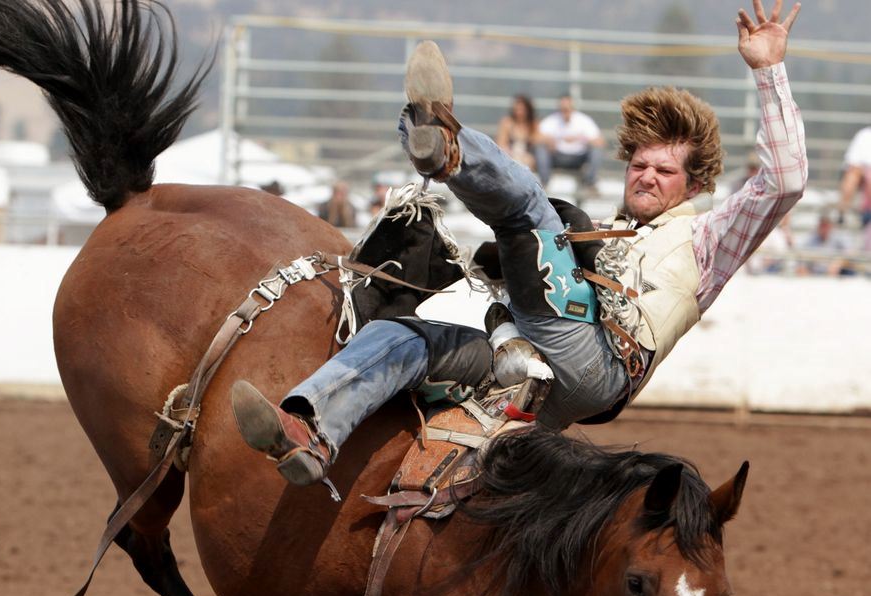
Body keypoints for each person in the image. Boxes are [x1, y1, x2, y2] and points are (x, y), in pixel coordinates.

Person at [230, 0, 805, 490]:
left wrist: (769, 71)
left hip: (599, 362)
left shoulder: (707, 237)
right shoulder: (605, 230)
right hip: (537, 374)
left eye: (664, 170)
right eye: (639, 164)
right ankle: (307, 433)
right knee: (404, 336)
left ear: (696, 185)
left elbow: (784, 181)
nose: (646, 176)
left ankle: (443, 144)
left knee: (530, 206)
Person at [536, 93, 606, 193]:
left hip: (578, 157)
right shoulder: (552, 120)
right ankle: (544, 183)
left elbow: (600, 142)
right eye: (563, 108)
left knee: (596, 151)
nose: (565, 111)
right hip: (557, 156)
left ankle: (590, 183)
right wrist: (549, 141)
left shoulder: (584, 120)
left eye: (567, 108)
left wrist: (582, 139)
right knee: (540, 149)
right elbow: (536, 138)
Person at [496, 94, 543, 174]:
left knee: (529, 161)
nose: (519, 112)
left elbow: (538, 140)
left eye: (522, 110)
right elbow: (501, 143)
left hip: (527, 157)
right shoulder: (507, 122)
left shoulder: (533, 124)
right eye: (517, 109)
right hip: (510, 155)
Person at [836, 125, 871, 227]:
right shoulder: (864, 135)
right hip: (860, 171)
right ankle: (842, 212)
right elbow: (852, 162)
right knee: (852, 177)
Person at [804, 212, 856, 276]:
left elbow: (850, 254)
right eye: (822, 225)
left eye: (826, 225)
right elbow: (803, 257)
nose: (824, 229)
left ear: (831, 226)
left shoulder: (839, 237)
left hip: (835, 273)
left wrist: (839, 263)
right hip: (815, 273)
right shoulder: (812, 239)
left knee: (850, 270)